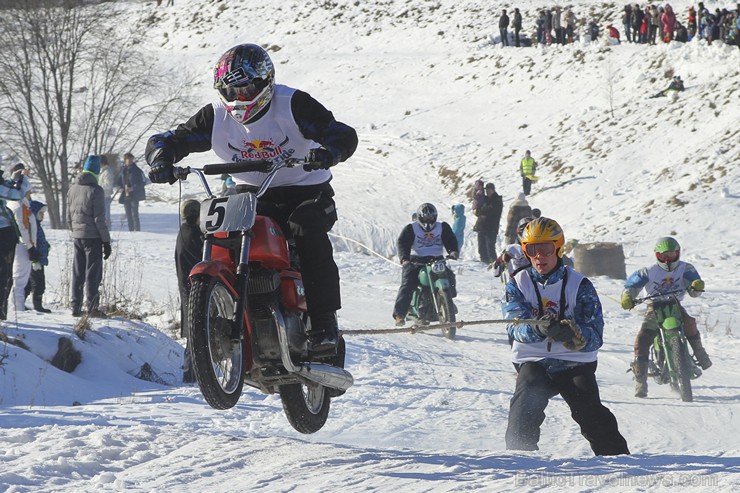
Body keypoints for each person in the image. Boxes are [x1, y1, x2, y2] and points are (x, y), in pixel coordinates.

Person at [145, 43, 357, 353]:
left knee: (306, 226)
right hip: (250, 196)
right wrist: (162, 158)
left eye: (244, 88)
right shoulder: (216, 116)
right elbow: (170, 139)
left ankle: (324, 320)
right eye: (230, 90)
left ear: (264, 82)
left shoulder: (292, 104)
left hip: (306, 193)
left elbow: (340, 132)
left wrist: (329, 152)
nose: (238, 97)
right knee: (192, 232)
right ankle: (197, 326)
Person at [502, 217, 630, 456]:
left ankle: (617, 460)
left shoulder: (580, 285)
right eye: (532, 250)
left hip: (574, 362)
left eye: (546, 249)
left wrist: (575, 334)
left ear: (558, 248)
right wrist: (538, 328)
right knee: (526, 395)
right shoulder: (517, 284)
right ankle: (519, 456)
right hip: (535, 361)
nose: (540, 257)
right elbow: (514, 325)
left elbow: (595, 334)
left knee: (588, 410)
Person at [620, 236, 711, 398]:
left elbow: (694, 290)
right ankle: (641, 381)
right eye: (664, 256)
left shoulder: (686, 268)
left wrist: (697, 285)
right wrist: (628, 297)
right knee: (642, 338)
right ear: (657, 256)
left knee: (689, 322)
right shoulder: (648, 271)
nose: (668, 259)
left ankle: (700, 353)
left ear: (678, 253)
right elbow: (631, 285)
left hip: (674, 304)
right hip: (654, 307)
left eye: (671, 255)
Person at [392, 203, 458, 326]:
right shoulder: (411, 228)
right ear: (419, 217)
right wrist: (405, 259)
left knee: (450, 276)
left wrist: (453, 251)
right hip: (416, 261)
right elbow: (403, 243)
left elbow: (450, 239)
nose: (428, 221)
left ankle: (448, 302)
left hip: (437, 260)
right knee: (407, 284)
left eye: (431, 218)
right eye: (425, 218)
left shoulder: (442, 227)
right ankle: (400, 315)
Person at [67, 155, 112, 317]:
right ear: (96, 171)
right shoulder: (96, 190)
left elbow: (68, 215)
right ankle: (92, 306)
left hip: (77, 235)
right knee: (92, 272)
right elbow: (99, 218)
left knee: (78, 271)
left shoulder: (72, 188)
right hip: (92, 237)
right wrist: (106, 241)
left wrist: (74, 230)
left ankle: (75, 305)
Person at [175, 199, 203, 383]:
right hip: (193, 290)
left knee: (194, 333)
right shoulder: (195, 234)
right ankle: (191, 374)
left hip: (187, 288)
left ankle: (191, 373)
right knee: (196, 333)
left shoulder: (183, 231)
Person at [0, 165, 30, 320]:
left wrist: (13, 179)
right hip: (3, 232)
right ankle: (1, 312)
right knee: (4, 274)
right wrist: (23, 179)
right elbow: (16, 194)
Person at [9, 180, 38, 313]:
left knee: (16, 278)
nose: (30, 195)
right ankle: (17, 309)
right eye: (29, 192)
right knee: (20, 279)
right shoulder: (21, 206)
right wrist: (30, 246)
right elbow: (23, 227)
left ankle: (12, 307)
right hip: (23, 246)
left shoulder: (12, 203)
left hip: (18, 245)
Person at [24, 199, 51, 313]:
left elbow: (41, 241)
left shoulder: (37, 226)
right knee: (38, 283)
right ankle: (37, 305)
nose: (43, 216)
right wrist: (36, 259)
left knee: (31, 283)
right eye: (41, 213)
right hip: (36, 260)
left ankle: (22, 302)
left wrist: (47, 245)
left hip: (39, 259)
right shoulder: (32, 227)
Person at [492, 216, 533, 284]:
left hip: (537, 288)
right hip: (514, 288)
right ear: (519, 232)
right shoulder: (511, 249)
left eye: (531, 233)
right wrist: (501, 260)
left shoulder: (541, 248)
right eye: (525, 233)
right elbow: (495, 272)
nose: (528, 236)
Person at [116, 152, 146, 232]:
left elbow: (143, 181)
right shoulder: (122, 170)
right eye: (127, 160)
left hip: (134, 195)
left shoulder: (137, 170)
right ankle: (131, 230)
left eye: (130, 159)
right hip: (125, 195)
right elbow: (118, 182)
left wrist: (133, 188)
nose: (129, 161)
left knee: (134, 214)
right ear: (125, 160)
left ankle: (137, 230)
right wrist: (120, 188)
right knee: (128, 214)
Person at [474, 183, 503, 265]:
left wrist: (479, 211)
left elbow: (490, 210)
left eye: (489, 190)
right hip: (482, 227)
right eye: (486, 190)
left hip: (491, 228)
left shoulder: (497, 200)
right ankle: (484, 265)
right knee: (481, 249)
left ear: (493, 190)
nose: (487, 192)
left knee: (490, 249)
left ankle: (495, 265)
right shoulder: (484, 199)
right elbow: (476, 201)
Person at [98, 155, 115, 228]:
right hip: (101, 196)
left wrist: (98, 187)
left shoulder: (107, 172)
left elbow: (108, 185)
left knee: (106, 215)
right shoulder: (102, 171)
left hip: (105, 196)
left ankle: (107, 228)